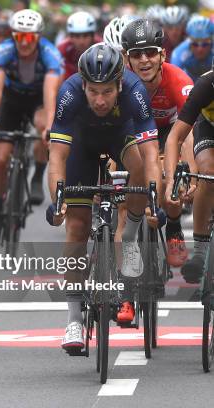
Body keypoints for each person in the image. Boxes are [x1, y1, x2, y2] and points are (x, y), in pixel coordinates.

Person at [47, 44, 160, 350]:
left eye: (107, 92)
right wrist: (59, 201)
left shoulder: (135, 90)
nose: (99, 100)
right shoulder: (69, 92)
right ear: (83, 84)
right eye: (93, 91)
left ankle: (131, 233)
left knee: (136, 163)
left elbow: (151, 154)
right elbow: (57, 156)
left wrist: (153, 198)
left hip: (120, 137)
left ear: (119, 85)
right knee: (76, 227)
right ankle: (73, 320)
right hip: (81, 146)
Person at [0, 9, 63, 244]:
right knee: (0, 159)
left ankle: (37, 175)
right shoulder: (4, 50)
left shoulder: (50, 53)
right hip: (12, 99)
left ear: (38, 37)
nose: (24, 43)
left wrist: (49, 126)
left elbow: (51, 92)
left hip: (38, 99)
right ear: (13, 37)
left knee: (42, 128)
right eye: (19, 37)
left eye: (29, 38)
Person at [121, 18, 194, 268]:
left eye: (151, 52)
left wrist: (189, 173)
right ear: (126, 58)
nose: (144, 60)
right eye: (137, 54)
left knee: (171, 183)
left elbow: (188, 134)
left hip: (170, 133)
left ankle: (174, 229)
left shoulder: (178, 80)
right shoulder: (118, 83)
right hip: (134, 134)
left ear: (162, 54)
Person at [164, 67, 214, 284]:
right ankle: (201, 252)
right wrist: (171, 182)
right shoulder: (205, 85)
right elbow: (175, 137)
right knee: (209, 174)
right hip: (209, 129)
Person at [57, 11, 99, 80]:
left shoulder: (103, 46)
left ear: (93, 36)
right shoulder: (62, 49)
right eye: (77, 36)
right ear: (70, 36)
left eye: (85, 36)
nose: (81, 41)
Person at [171, 16, 213, 82]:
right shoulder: (179, 53)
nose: (200, 49)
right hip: (188, 83)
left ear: (211, 42)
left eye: (205, 44)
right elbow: (174, 80)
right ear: (189, 42)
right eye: (195, 44)